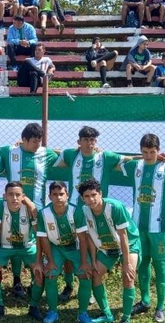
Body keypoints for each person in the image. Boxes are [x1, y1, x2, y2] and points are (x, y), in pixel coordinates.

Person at [53, 125, 129, 301]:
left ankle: (91, 288)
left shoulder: (106, 157)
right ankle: (69, 285)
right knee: (72, 248)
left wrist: (158, 158)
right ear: (79, 142)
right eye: (86, 140)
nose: (89, 143)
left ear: (96, 142)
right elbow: (54, 152)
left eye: (93, 140)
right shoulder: (72, 155)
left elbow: (130, 158)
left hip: (97, 214)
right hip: (74, 212)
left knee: (93, 249)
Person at [124, 134, 165, 323]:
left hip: (159, 228)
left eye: (152, 152)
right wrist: (137, 157)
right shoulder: (136, 166)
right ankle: (145, 301)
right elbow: (117, 160)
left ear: (159, 150)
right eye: (145, 152)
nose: (149, 156)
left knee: (159, 265)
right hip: (138, 227)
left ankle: (161, 307)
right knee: (142, 263)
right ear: (140, 151)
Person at [0, 122, 58, 297]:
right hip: (12, 206)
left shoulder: (46, 153)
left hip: (35, 209)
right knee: (13, 240)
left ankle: (34, 279)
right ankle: (16, 281)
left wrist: (94, 148)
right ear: (23, 139)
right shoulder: (8, 152)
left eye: (40, 141)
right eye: (34, 141)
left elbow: (66, 157)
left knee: (34, 242)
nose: (38, 145)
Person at [74, 179, 141, 323]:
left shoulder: (115, 207)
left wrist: (126, 263)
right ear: (82, 198)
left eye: (94, 195)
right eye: (87, 196)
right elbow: (88, 238)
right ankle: (107, 314)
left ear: (100, 194)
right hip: (105, 248)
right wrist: (93, 259)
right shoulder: (82, 212)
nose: (91, 199)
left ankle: (125, 318)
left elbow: (123, 236)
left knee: (128, 277)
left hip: (128, 245)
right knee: (95, 274)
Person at [36, 182, 95, 323]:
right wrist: (49, 260)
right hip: (56, 248)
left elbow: (82, 239)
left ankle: (82, 313)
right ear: (49, 196)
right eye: (55, 195)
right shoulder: (43, 213)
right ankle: (53, 312)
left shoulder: (76, 211)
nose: (58, 197)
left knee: (85, 274)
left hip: (74, 247)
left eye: (61, 194)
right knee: (50, 274)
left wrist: (84, 262)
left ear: (67, 195)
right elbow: (43, 238)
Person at [0, 182, 42, 319]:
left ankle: (34, 306)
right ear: (4, 196)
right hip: (6, 247)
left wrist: (40, 259)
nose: (14, 198)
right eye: (11, 194)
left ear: (23, 196)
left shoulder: (29, 207)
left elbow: (40, 234)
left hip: (28, 246)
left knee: (40, 273)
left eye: (18, 195)